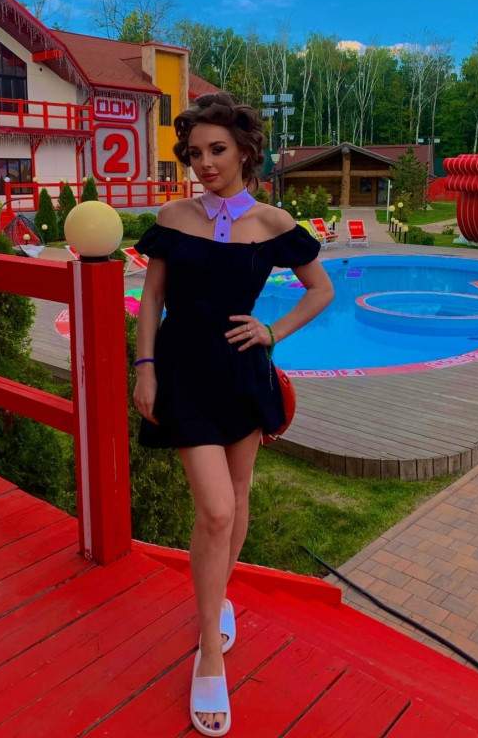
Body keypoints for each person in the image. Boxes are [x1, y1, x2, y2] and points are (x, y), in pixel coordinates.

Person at [132, 92, 334, 735]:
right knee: (215, 510)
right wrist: (145, 367)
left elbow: (321, 290)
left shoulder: (273, 224)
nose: (205, 164)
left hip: (242, 376)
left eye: (217, 150)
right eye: (194, 153)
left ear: (245, 151)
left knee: (239, 496)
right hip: (183, 376)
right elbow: (152, 297)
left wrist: (274, 331)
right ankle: (210, 654)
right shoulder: (174, 215)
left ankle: (217, 599)